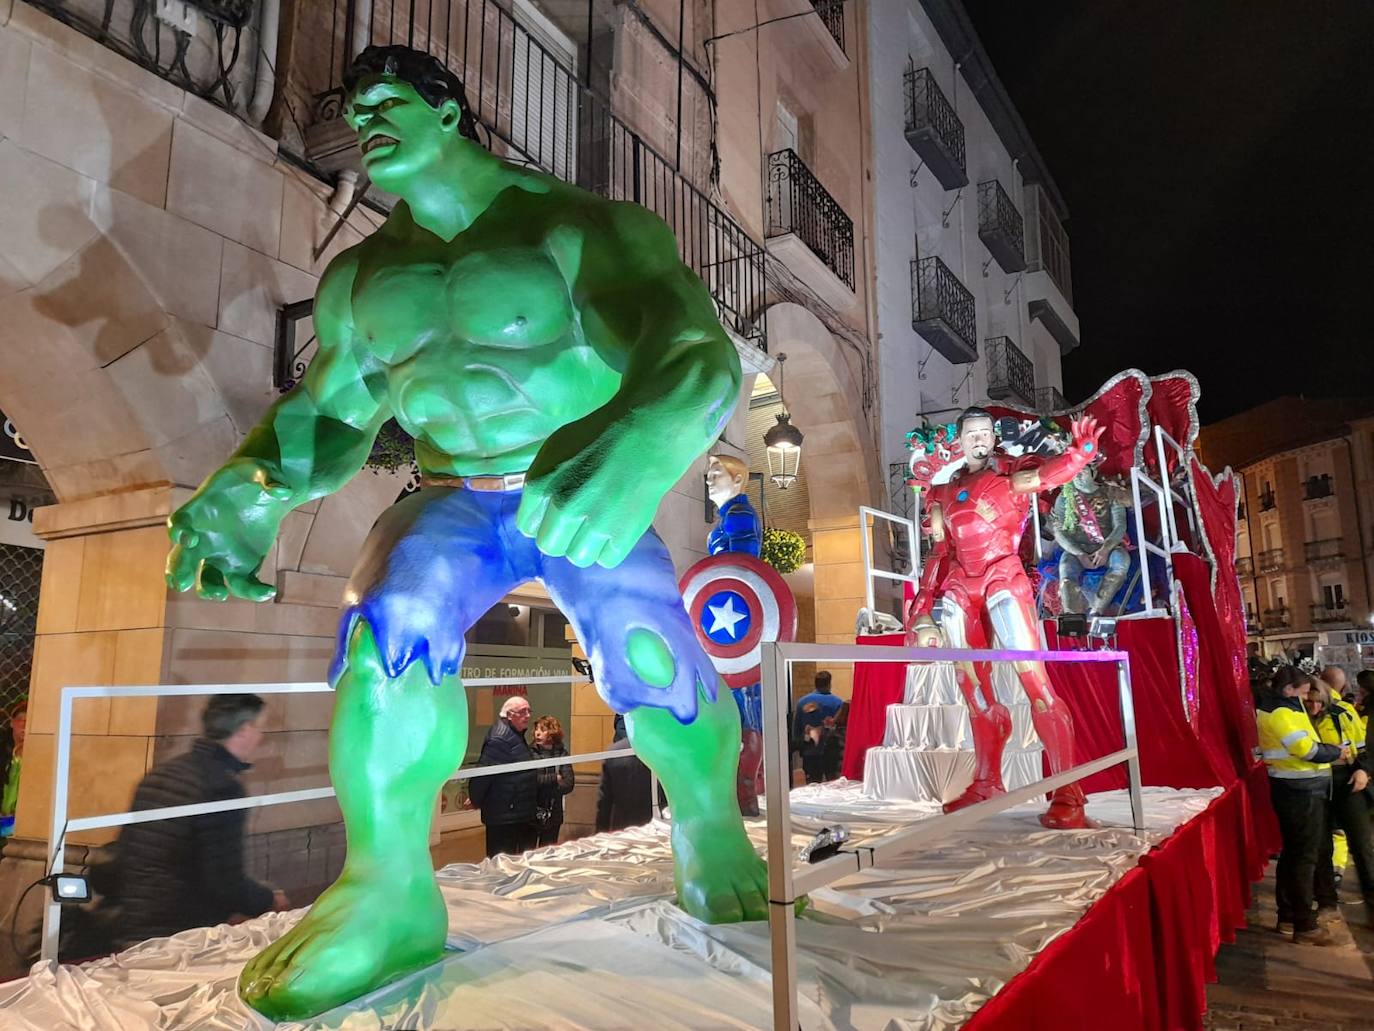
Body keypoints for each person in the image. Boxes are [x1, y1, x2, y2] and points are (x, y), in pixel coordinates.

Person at [164, 44, 761, 1019]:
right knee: (386, 624)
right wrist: (252, 482)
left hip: (573, 483)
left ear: (450, 113)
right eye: (356, 111)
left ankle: (709, 822)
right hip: (451, 494)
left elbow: (694, 350)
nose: (367, 124)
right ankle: (389, 886)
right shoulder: (363, 278)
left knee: (648, 646)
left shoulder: (578, 229)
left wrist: (641, 439)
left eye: (390, 102)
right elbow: (331, 414)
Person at [905, 408, 1104, 828]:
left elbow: (1048, 476)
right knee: (973, 688)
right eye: (971, 433)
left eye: (984, 432)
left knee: (1035, 683)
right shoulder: (941, 493)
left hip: (1003, 576)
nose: (978, 439)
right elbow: (939, 553)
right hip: (962, 583)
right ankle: (986, 781)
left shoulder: (1007, 480)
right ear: (959, 440)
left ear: (992, 438)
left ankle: (1069, 793)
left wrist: (1080, 454)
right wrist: (923, 607)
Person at [99, 695, 288, 951]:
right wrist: (268, 900)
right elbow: (223, 879)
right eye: (260, 728)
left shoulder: (162, 773)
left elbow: (127, 852)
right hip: (179, 931)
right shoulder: (221, 787)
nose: (261, 737)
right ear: (243, 730)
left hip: (133, 920)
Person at [1256, 665, 1350, 945]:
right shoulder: (1283, 713)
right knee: (1303, 859)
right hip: (1300, 791)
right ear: (1289, 690)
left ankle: (1289, 916)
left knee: (1295, 855)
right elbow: (1307, 750)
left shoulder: (1278, 708)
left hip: (1296, 789)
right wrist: (1337, 752)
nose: (1307, 699)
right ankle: (1303, 923)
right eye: (1304, 692)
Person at [705, 452, 765, 814]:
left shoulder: (740, 515)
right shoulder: (730, 516)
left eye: (717, 474)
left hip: (735, 627)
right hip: (726, 622)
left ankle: (744, 790)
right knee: (738, 704)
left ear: (738, 480)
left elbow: (740, 569)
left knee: (742, 704)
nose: (709, 480)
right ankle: (741, 790)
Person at [1304, 677, 1374, 923]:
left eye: (1317, 702)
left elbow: (1364, 748)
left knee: (1362, 845)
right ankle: (1326, 902)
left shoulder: (1343, 713)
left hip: (1348, 780)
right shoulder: (1298, 717)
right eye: (1308, 702)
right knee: (1321, 845)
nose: (1313, 707)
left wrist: (1363, 770)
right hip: (1316, 783)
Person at [469, 696, 538, 858]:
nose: (527, 715)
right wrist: (476, 799)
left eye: (528, 711)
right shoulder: (500, 739)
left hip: (517, 814)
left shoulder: (514, 735)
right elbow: (483, 774)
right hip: (505, 816)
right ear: (509, 715)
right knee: (502, 864)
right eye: (522, 712)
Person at [596, 715, 654, 833]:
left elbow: (604, 803)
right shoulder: (665, 752)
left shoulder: (614, 752)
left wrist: (601, 834)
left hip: (622, 829)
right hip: (655, 830)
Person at [530, 715, 574, 847]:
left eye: (542, 730)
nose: (537, 733)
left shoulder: (562, 754)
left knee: (547, 852)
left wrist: (543, 785)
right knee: (528, 851)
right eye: (537, 729)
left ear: (552, 733)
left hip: (553, 813)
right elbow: (530, 781)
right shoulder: (529, 753)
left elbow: (568, 784)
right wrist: (554, 778)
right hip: (531, 812)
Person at [1, 700, 27, 836]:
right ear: (11, 723)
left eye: (28, 720)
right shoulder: (4, 754)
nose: (23, 724)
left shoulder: (39, 758)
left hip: (23, 821)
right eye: (20, 719)